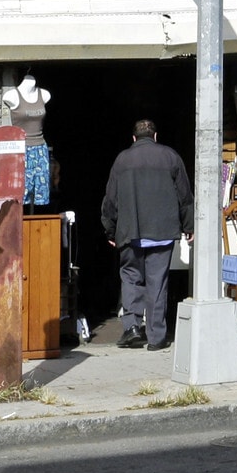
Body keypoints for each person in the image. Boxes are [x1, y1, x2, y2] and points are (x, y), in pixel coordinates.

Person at [99, 119, 192, 351]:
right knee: (157, 282)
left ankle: (131, 326)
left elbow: (110, 198)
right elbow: (185, 196)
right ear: (156, 136)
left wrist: (109, 228)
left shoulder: (122, 160)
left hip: (130, 231)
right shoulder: (171, 157)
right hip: (162, 232)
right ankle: (156, 337)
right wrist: (188, 226)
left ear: (133, 138)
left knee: (131, 277)